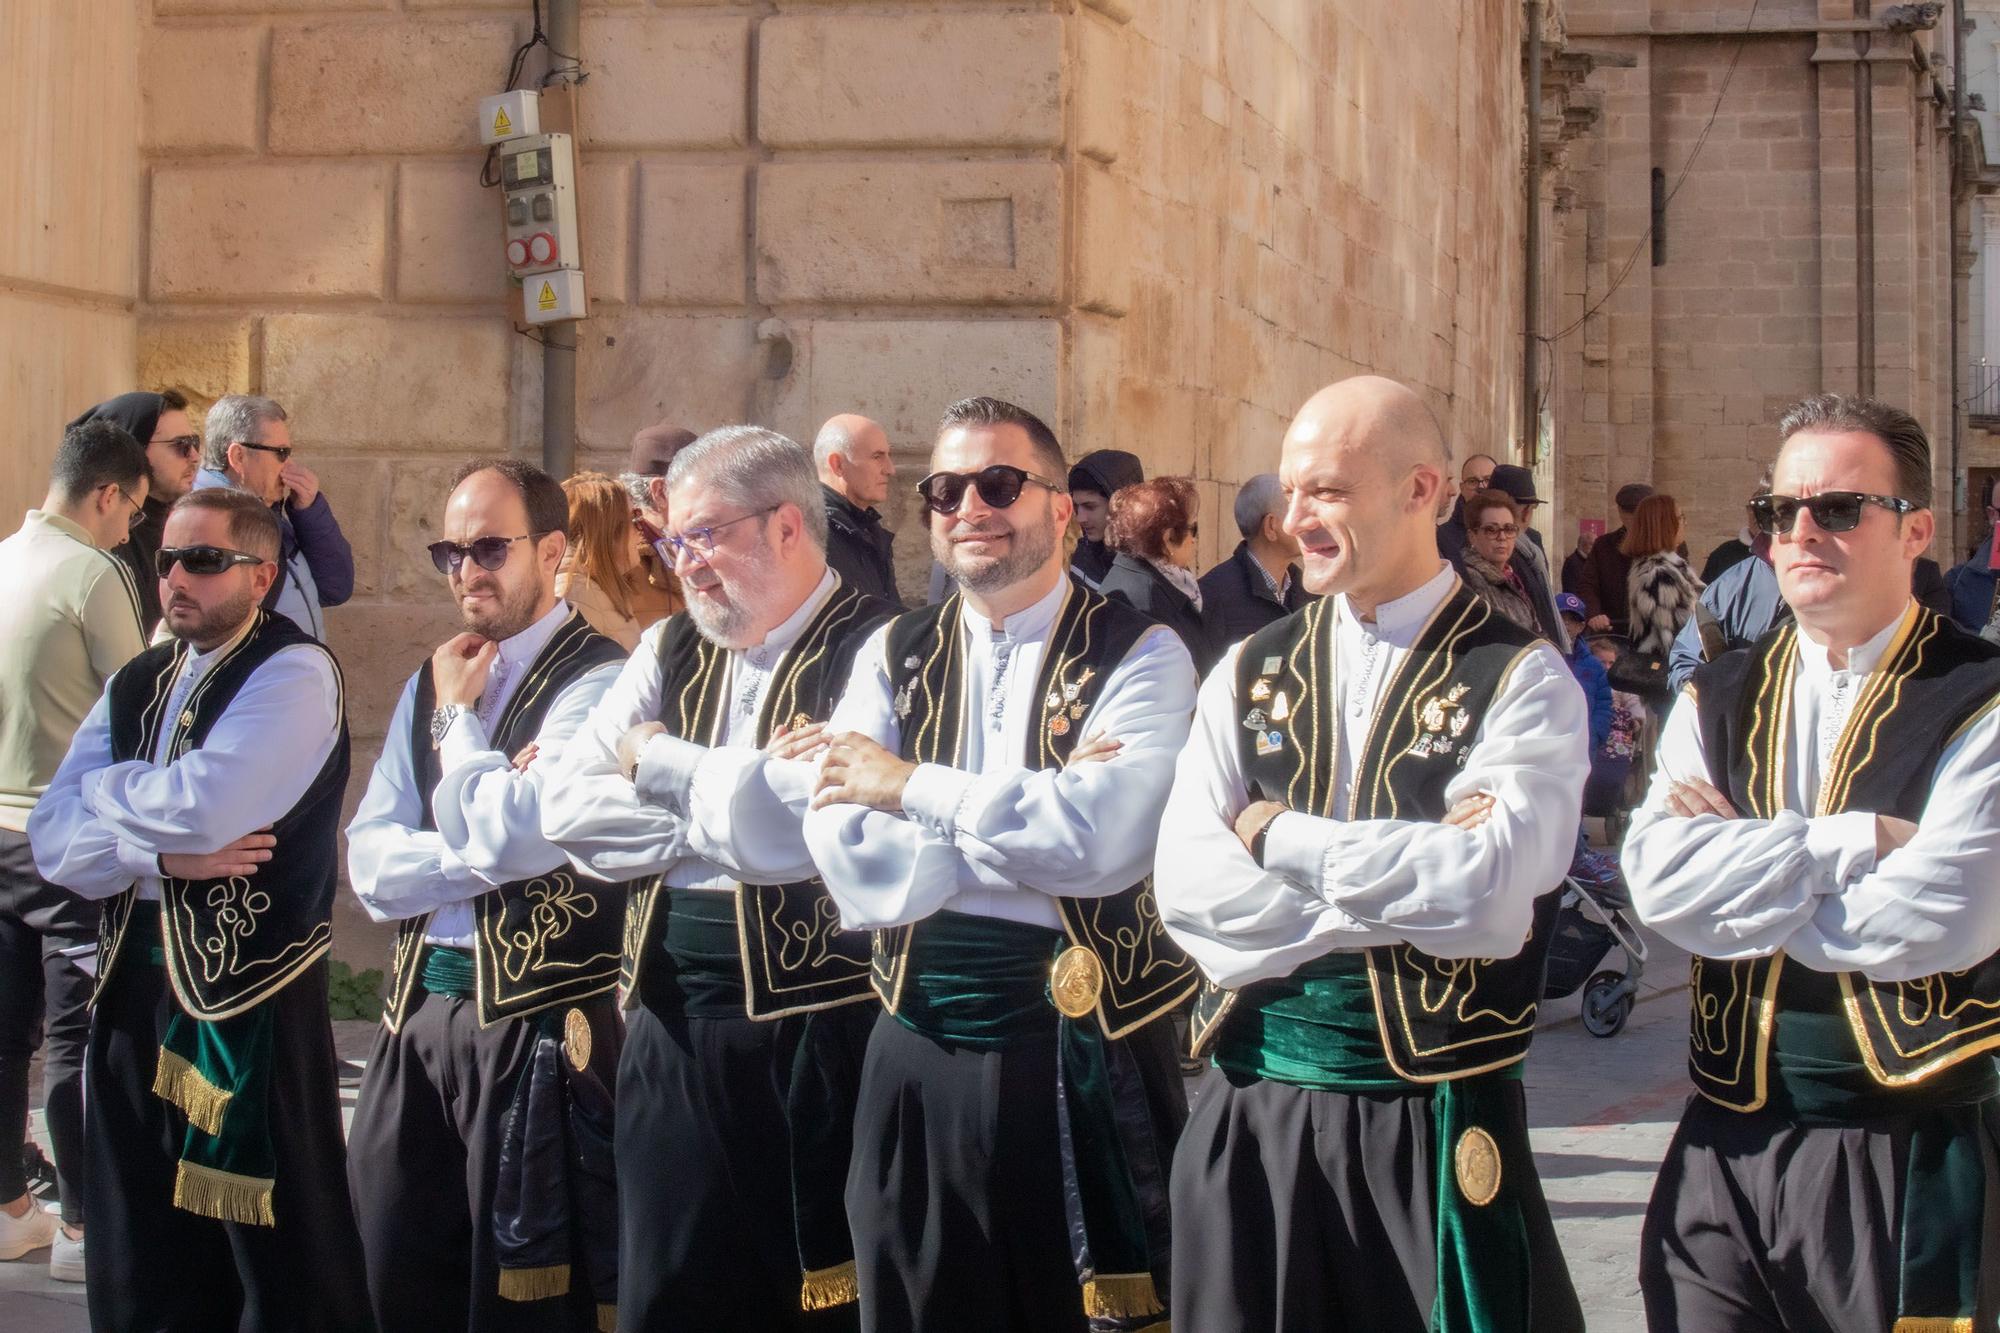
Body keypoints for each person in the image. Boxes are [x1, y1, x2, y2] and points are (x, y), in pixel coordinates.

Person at [1154, 375, 1587, 1333]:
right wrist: (1396, 888)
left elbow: (1489, 892)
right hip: (1252, 1111)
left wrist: (1278, 837)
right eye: (1291, 489)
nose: (1294, 515)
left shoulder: (1522, 679)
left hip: (1428, 1122)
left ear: (1423, 490)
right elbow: (1186, 888)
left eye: (1329, 491)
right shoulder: (1248, 667)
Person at [804, 396, 1198, 1331]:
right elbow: (844, 851)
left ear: (1062, 509)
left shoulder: (1142, 652)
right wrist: (1022, 817)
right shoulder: (889, 650)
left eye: (1000, 483)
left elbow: (1098, 843)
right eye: (944, 489)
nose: (968, 506)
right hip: (916, 1036)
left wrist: (907, 786)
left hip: (1085, 1048)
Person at [1625, 394, 2000, 1331]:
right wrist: (1854, 842)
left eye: (1837, 509)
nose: (1801, 532)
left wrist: (1739, 873)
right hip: (1720, 1153)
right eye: (1777, 510)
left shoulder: (1980, 699)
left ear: (1915, 528)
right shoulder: (1719, 693)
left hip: (1908, 1153)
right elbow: (1660, 886)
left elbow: (1939, 919)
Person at [543, 426, 896, 1331]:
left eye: (703, 535)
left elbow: (791, 832)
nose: (683, 562)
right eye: (673, 540)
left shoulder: (877, 647)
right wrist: (728, 790)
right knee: (673, 1282)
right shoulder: (668, 648)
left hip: (822, 1025)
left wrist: (654, 759)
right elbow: (567, 813)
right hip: (664, 1011)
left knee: (811, 1288)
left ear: (786, 526)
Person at [27, 487, 369, 1331]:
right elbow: (51, 839)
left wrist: (112, 795)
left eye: (205, 560)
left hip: (244, 1000)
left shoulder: (291, 671)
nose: (178, 576)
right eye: (168, 559)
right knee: (137, 1246)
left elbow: (209, 807)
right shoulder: (138, 679)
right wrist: (157, 854)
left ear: (260, 576)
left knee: (276, 1260)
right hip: (128, 992)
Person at [344, 459, 629, 1332]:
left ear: (553, 552)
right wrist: (485, 832)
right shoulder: (431, 681)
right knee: (390, 1263)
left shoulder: (603, 681)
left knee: (522, 1293)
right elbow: (370, 868)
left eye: (489, 547)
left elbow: (521, 834)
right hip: (416, 1008)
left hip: (536, 1022)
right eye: (451, 550)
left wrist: (461, 733)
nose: (467, 568)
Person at [0, 420, 150, 1278]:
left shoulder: (5, 557)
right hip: (57, 835)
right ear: (106, 494)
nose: (132, 529)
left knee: (3, 1036)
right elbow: (136, 700)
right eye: (132, 510)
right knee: (75, 1035)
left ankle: (10, 1206)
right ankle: (84, 1223)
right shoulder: (92, 573)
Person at [192, 394, 354, 640]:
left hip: (293, 667)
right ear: (238, 457)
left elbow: (336, 588)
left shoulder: (266, 509)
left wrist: (308, 511)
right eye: (280, 452)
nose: (288, 465)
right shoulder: (207, 519)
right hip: (261, 673)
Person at [73, 390, 201, 635]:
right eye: (181, 446)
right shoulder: (110, 539)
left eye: (194, 443)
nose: (195, 456)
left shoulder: (179, 524)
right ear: (134, 451)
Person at [1098, 475, 1223, 673]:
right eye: (1194, 529)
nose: (1194, 540)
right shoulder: (1146, 601)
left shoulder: (1160, 581)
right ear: (1168, 538)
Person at [1199, 472, 1311, 646]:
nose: (1307, 523)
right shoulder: (1214, 596)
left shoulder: (1310, 591)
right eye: (1296, 512)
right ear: (1271, 526)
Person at [557, 471, 656, 650]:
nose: (639, 530)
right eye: (633, 519)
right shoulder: (575, 593)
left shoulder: (595, 585)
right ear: (607, 532)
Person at [815, 413, 902, 606]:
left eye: (888, 456)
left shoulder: (867, 528)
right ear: (837, 465)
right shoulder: (812, 535)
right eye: (877, 457)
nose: (890, 469)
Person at [1454, 488, 1562, 641]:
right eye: (1491, 530)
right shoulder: (1468, 580)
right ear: (1472, 536)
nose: (1502, 537)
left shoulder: (1512, 577)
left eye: (1509, 529)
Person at [619, 421, 696, 627]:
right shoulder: (619, 557)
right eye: (696, 484)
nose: (707, 495)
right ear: (660, 491)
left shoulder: (698, 542)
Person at [1578, 481, 1655, 635]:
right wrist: (1594, 615)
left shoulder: (1670, 546)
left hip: (1654, 633)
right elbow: (1588, 585)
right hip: (1614, 632)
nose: (1636, 521)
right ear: (1621, 513)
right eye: (1630, 514)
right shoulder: (1604, 545)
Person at [1066, 447, 1144, 589]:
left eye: (1090, 507)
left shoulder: (1156, 571)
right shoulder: (1082, 555)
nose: (1080, 518)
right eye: (1077, 507)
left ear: (1122, 505)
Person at [1434, 451, 1497, 563]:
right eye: (1472, 481)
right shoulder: (1443, 538)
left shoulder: (1521, 536)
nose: (1481, 487)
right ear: (1462, 488)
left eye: (1488, 480)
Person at [1701, 502, 1758, 585]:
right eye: (1754, 510)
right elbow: (1706, 593)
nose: (1758, 517)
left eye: (1766, 510)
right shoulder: (1724, 554)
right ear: (1748, 511)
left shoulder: (1781, 553)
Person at [1561, 522, 1597, 598]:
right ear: (1583, 544)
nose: (1595, 548)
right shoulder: (1572, 562)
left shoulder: (1590, 561)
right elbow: (1573, 589)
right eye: (1592, 544)